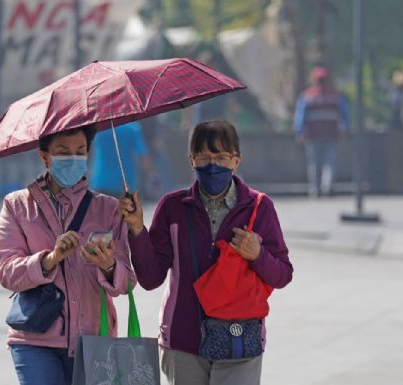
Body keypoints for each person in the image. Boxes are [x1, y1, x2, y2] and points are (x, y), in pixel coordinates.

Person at [119, 119, 293, 385]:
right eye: (203, 157)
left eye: (222, 157)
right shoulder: (173, 207)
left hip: (239, 339)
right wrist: (136, 231)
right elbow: (151, 277)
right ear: (191, 160)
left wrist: (258, 255)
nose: (213, 166)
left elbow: (282, 275)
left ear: (237, 160)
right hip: (183, 340)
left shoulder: (259, 208)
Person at [0, 125, 136, 385]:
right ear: (44, 156)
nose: (73, 158)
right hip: (35, 338)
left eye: (80, 151)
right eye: (63, 152)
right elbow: (6, 271)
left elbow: (127, 282)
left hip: (93, 339)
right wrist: (50, 259)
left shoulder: (109, 209)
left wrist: (109, 266)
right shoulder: (17, 205)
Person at [294, 66, 350, 197]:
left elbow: (300, 116)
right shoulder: (335, 96)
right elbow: (345, 115)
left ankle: (316, 190)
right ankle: (327, 188)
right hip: (330, 134)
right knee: (329, 162)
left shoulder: (308, 96)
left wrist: (299, 131)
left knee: (315, 164)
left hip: (314, 135)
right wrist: (345, 128)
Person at [89, 121, 153, 197]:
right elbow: (143, 155)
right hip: (125, 182)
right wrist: (151, 175)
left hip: (101, 180)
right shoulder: (132, 128)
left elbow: (88, 152)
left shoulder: (98, 129)